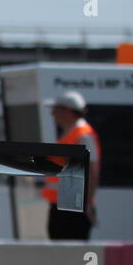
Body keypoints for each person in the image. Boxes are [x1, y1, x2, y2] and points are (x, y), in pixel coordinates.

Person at [44, 91, 100, 240]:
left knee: (70, 253)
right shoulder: (70, 134)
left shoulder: (82, 135)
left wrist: (86, 204)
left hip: (73, 206)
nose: (52, 114)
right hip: (63, 204)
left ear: (67, 111)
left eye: (55, 109)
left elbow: (92, 172)